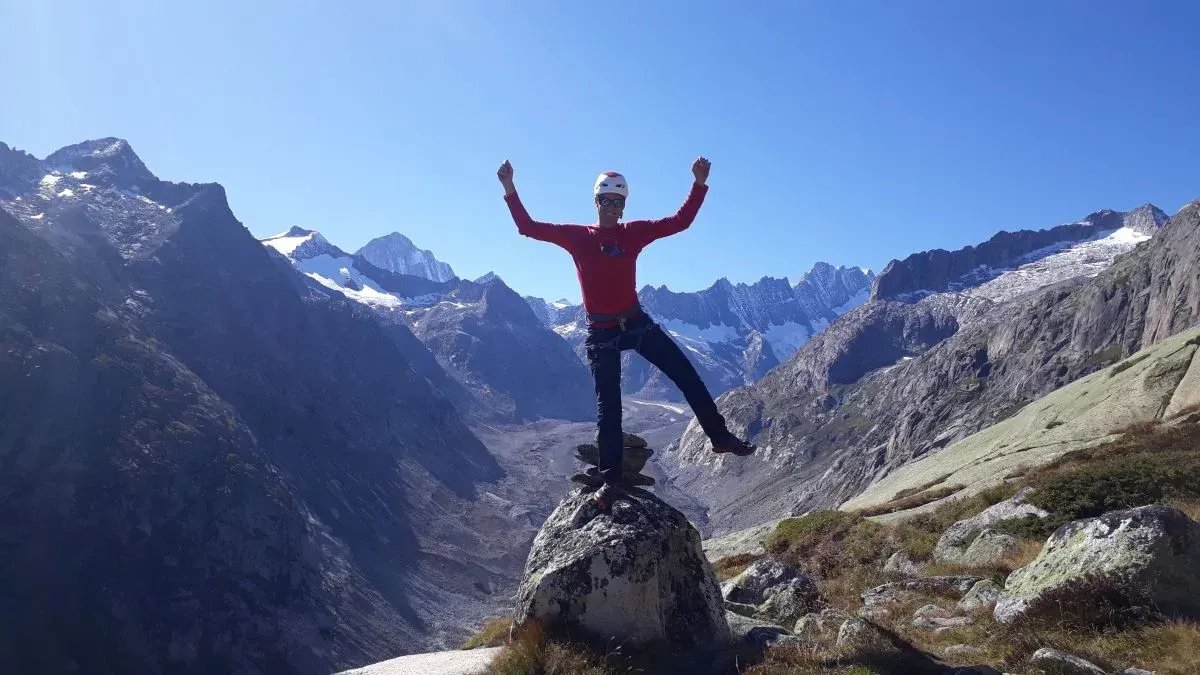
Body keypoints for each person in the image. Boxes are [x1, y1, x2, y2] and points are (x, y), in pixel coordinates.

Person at [498, 157, 756, 509]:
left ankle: (720, 437)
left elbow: (679, 222)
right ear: (596, 202)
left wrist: (698, 184)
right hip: (601, 332)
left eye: (618, 202)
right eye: (606, 200)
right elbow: (528, 227)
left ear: (624, 206)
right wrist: (510, 188)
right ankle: (611, 480)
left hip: (635, 323)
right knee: (610, 408)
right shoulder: (577, 236)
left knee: (687, 375)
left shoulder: (633, 233)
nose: (612, 207)